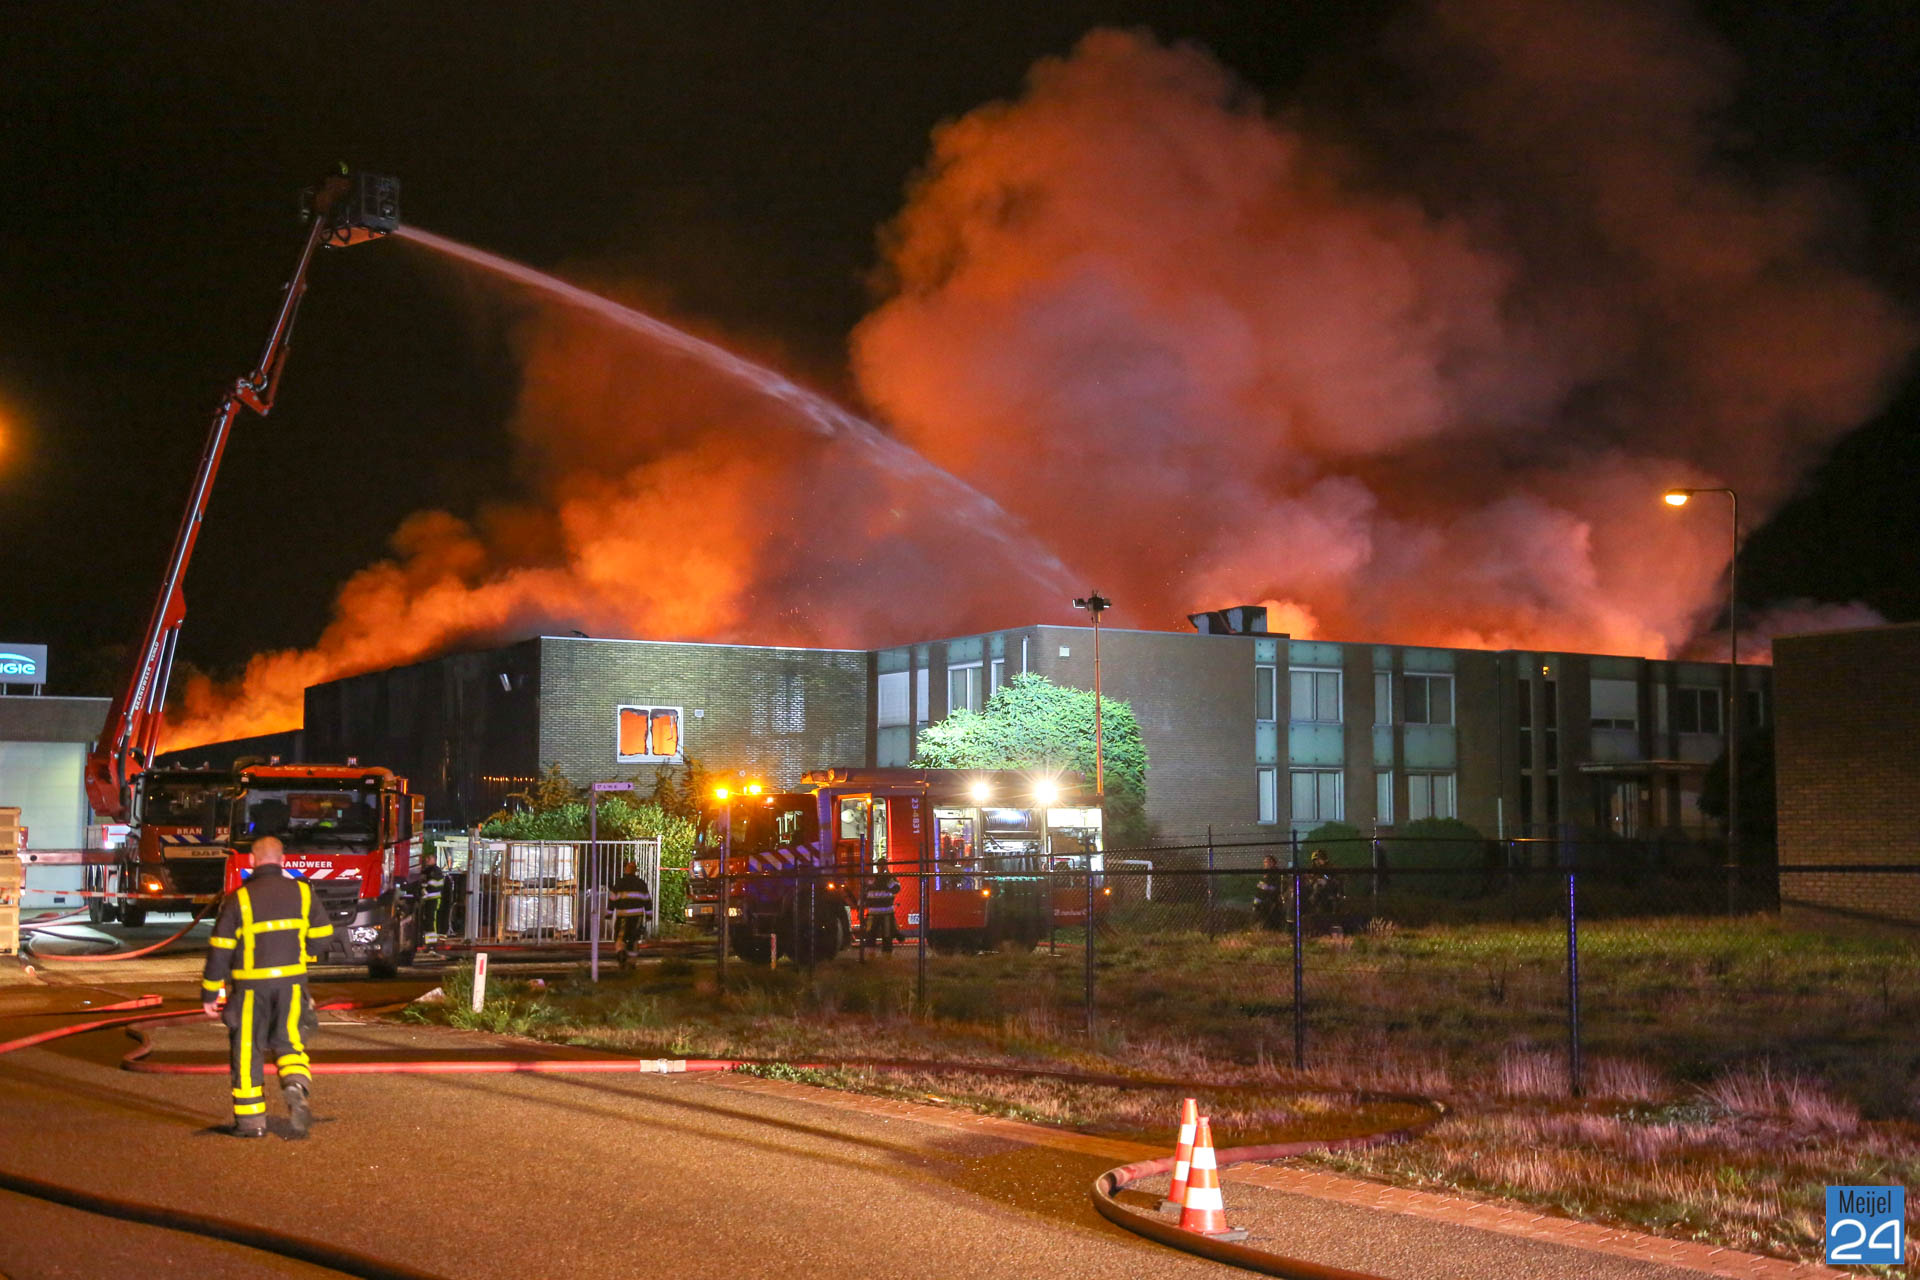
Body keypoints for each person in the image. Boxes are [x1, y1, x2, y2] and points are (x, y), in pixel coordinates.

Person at [201, 836, 332, 1138]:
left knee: (248, 1049)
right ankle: (295, 1085)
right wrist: (302, 953)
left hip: (250, 989)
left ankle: (251, 1124)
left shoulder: (239, 898)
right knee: (290, 1042)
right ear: (283, 861)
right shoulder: (303, 892)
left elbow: (220, 949)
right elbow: (324, 934)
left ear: (252, 861)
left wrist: (210, 992)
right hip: (291, 985)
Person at [607, 861, 653, 968]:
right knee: (634, 939)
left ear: (625, 870)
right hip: (637, 916)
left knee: (620, 938)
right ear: (635, 871)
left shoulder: (619, 883)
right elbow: (647, 901)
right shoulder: (641, 884)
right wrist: (649, 915)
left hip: (623, 915)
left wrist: (609, 913)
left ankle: (621, 955)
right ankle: (632, 963)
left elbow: (612, 900)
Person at [862, 870, 902, 955]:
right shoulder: (869, 880)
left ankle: (885, 955)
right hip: (876, 913)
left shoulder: (887, 879)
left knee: (885, 934)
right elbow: (863, 895)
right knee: (871, 934)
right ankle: (872, 955)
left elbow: (896, 888)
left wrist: (885, 884)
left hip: (884, 913)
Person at [413, 853, 448, 945]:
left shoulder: (435, 871)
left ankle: (432, 944)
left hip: (433, 899)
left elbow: (433, 886)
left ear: (434, 860)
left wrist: (423, 891)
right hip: (427, 900)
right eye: (426, 858)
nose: (426, 860)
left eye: (429, 858)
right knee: (428, 920)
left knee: (431, 920)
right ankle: (428, 942)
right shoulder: (427, 871)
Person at [1252, 855, 1286, 931]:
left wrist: (1265, 887)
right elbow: (1259, 890)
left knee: (1271, 922)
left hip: (1271, 901)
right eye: (1264, 862)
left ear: (1272, 863)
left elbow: (1275, 888)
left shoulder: (1276, 874)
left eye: (1267, 862)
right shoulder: (1265, 874)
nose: (1265, 864)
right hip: (1262, 901)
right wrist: (1255, 903)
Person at [1305, 848, 1343, 916]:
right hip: (1318, 895)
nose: (1317, 862)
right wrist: (1312, 881)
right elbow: (1309, 880)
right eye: (1315, 860)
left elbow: (1337, 881)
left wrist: (1326, 881)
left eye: (1319, 859)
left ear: (1324, 859)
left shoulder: (1331, 868)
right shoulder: (1314, 870)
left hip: (1330, 892)